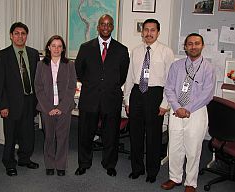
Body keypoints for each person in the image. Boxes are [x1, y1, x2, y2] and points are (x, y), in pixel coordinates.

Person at [74, 14, 130, 177]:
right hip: (89, 98)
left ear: (112, 27)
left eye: (109, 24)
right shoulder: (85, 47)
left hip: (111, 98)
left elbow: (122, 76)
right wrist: (93, 84)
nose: (105, 27)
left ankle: (109, 164)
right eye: (102, 24)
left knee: (111, 135)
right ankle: (84, 163)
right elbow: (79, 71)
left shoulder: (121, 50)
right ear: (98, 27)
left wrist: (107, 86)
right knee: (85, 133)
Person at [161, 33, 215, 192]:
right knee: (175, 147)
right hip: (177, 111)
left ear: (202, 46)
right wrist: (177, 107)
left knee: (193, 149)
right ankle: (174, 178)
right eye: (190, 44)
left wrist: (188, 109)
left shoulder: (208, 68)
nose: (193, 46)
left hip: (196, 112)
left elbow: (207, 94)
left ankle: (191, 182)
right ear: (185, 47)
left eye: (197, 43)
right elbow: (169, 88)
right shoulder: (176, 66)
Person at [123, 18, 174, 183]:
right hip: (137, 93)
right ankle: (137, 168)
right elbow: (130, 77)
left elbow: (170, 80)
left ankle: (152, 171)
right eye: (146, 30)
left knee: (153, 136)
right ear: (142, 32)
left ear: (158, 32)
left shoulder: (166, 51)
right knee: (135, 134)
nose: (149, 33)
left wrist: (165, 103)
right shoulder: (136, 51)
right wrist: (127, 100)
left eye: (152, 30)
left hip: (155, 94)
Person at [0, 22, 40, 176]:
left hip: (29, 101)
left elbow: (37, 80)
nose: (20, 36)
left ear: (27, 36)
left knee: (28, 134)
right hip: (11, 104)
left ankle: (24, 159)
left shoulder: (33, 54)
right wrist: (2, 105)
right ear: (11, 36)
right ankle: (9, 163)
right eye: (17, 33)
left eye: (23, 33)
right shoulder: (2, 55)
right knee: (11, 135)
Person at [34, 35, 77, 176]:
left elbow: (72, 87)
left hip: (64, 107)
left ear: (63, 48)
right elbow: (38, 87)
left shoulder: (69, 64)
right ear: (48, 47)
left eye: (59, 46)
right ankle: (49, 164)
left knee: (63, 137)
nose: (56, 49)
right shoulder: (41, 64)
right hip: (47, 108)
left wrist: (61, 108)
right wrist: (49, 108)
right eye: (53, 45)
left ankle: (61, 165)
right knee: (49, 137)